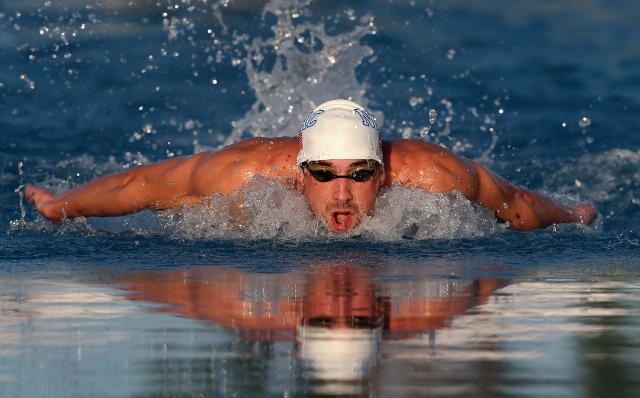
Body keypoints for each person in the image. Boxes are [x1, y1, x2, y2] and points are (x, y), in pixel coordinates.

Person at [25, 99, 596, 232]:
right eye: (323, 173)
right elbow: (143, 185)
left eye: (360, 174)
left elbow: (515, 205)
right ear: (299, 172)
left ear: (383, 173)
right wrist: (62, 204)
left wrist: (571, 214)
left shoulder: (432, 173)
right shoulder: (243, 173)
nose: (341, 194)